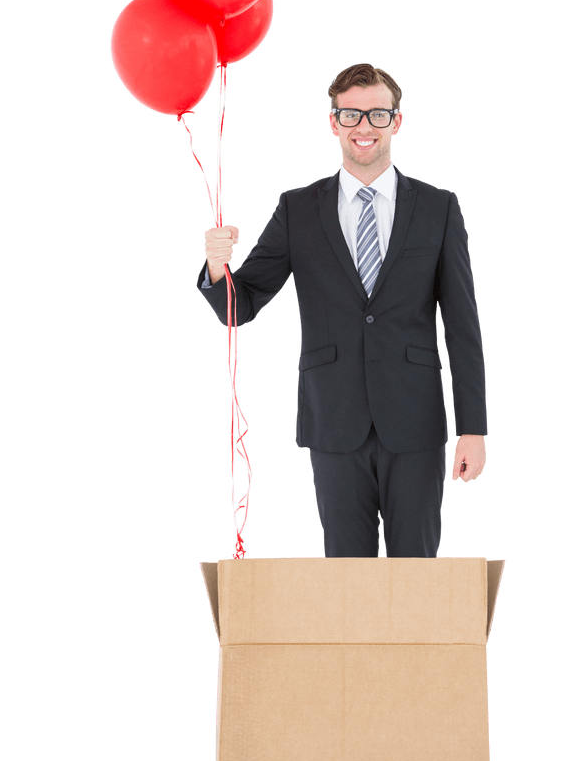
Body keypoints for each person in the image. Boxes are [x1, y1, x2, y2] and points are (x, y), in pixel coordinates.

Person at [199, 62, 487, 557]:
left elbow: (463, 328)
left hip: (414, 420)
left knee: (414, 578)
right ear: (332, 122)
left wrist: (473, 429)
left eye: (377, 114)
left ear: (397, 121)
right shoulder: (298, 208)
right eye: (350, 115)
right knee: (344, 586)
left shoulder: (439, 207)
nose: (364, 127)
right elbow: (239, 307)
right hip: (335, 422)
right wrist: (215, 267)